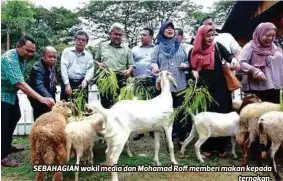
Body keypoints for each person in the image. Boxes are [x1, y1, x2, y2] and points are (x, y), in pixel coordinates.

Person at [1, 36, 55, 167]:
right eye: (28, 50)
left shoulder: (22, 59)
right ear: (18, 46)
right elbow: (20, 82)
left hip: (11, 94)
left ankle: (7, 146)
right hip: (2, 93)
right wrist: (41, 98)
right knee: (3, 122)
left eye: (32, 51)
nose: (30, 54)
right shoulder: (10, 58)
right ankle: (2, 156)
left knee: (15, 116)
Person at [189, 25, 238, 158]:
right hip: (204, 90)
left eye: (212, 35)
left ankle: (221, 148)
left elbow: (229, 56)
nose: (211, 38)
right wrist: (193, 72)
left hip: (221, 88)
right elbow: (191, 68)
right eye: (207, 36)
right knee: (207, 119)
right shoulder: (193, 51)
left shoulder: (217, 46)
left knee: (222, 115)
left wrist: (233, 60)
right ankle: (207, 147)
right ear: (201, 36)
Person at [150, 21, 191, 146]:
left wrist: (185, 65)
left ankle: (182, 137)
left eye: (172, 28)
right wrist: (155, 66)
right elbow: (152, 62)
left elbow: (187, 62)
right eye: (167, 28)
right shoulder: (157, 47)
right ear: (162, 31)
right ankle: (171, 138)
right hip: (165, 86)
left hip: (180, 84)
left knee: (181, 111)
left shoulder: (180, 46)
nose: (170, 30)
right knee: (167, 113)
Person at [239, 22, 283, 103]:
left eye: (273, 36)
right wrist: (255, 70)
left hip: (277, 86)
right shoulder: (250, 46)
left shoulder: (275, 46)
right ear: (260, 33)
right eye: (267, 35)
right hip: (258, 89)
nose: (270, 38)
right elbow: (241, 62)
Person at [95, 23, 135, 108]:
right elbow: (96, 60)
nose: (117, 36)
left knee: (121, 106)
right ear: (110, 34)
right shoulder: (102, 46)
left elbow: (131, 65)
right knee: (106, 105)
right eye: (115, 34)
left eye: (120, 35)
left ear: (122, 36)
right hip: (105, 78)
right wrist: (99, 65)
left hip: (121, 79)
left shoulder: (127, 48)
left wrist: (128, 71)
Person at [131, 27, 155, 141]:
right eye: (141, 35)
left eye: (144, 35)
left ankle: (151, 129)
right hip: (138, 80)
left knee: (151, 105)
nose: (142, 37)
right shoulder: (134, 49)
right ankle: (140, 130)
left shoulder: (156, 49)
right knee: (139, 105)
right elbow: (131, 64)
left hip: (152, 80)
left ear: (151, 37)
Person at [60, 30, 94, 102]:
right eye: (78, 39)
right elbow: (63, 68)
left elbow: (90, 70)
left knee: (81, 108)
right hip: (68, 82)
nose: (80, 41)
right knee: (65, 108)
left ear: (86, 42)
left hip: (82, 84)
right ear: (75, 40)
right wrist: (67, 84)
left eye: (83, 40)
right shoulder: (67, 52)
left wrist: (86, 80)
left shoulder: (89, 56)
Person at [28, 46, 57, 120]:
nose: (53, 59)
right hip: (39, 99)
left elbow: (52, 82)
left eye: (54, 57)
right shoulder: (37, 68)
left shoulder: (51, 66)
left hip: (48, 97)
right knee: (40, 120)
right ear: (43, 56)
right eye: (50, 56)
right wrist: (49, 97)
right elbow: (39, 85)